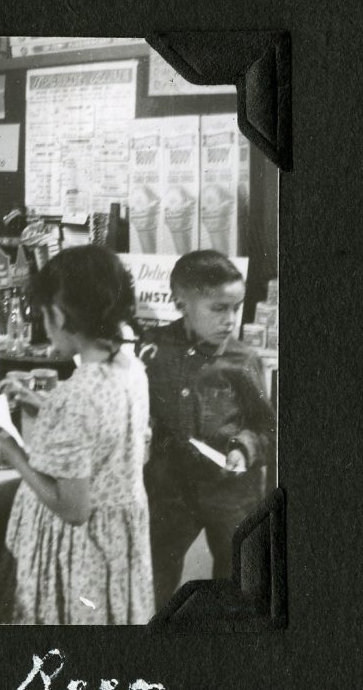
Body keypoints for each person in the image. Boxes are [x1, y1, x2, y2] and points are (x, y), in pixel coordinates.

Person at [0, 245, 154, 625]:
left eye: (44, 315)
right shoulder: (131, 367)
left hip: (80, 548)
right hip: (118, 538)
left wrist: (12, 451)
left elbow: (73, 509)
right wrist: (40, 403)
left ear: (59, 316)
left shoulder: (75, 396)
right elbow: (103, 430)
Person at [140, 250, 275, 610]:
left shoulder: (244, 359)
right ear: (180, 303)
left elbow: (266, 424)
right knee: (152, 580)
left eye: (236, 307)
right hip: (169, 490)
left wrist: (244, 448)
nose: (230, 320)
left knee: (235, 583)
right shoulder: (153, 348)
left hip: (231, 492)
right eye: (218, 309)